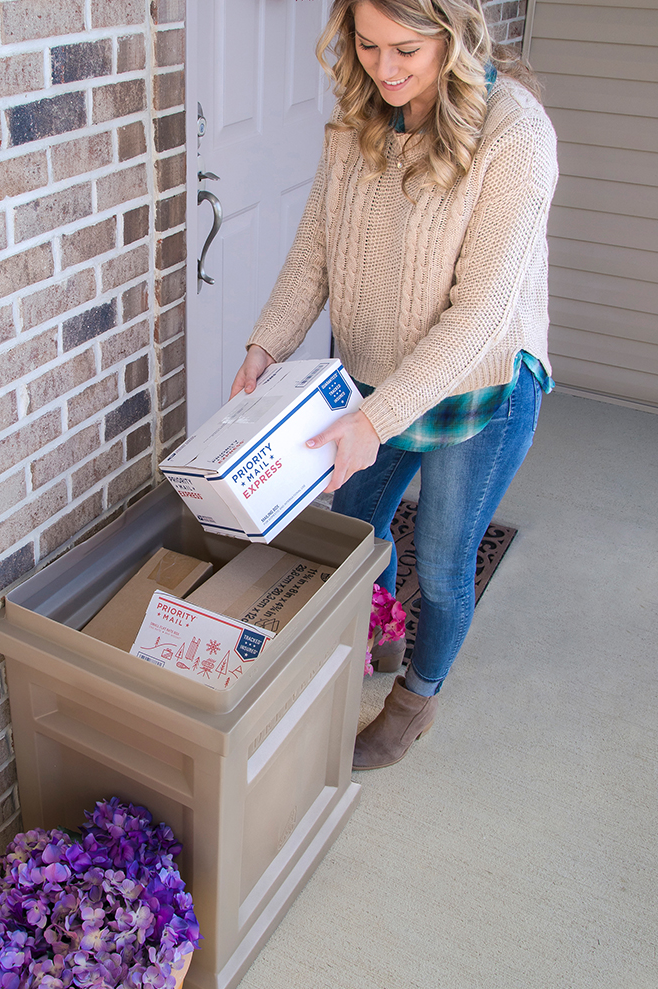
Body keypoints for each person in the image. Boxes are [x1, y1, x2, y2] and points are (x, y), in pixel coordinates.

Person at [231, 0, 558, 769]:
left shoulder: (516, 136)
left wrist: (374, 423)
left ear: (455, 29)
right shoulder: (359, 118)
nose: (384, 69)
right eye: (367, 45)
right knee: (353, 532)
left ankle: (417, 700)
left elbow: (480, 314)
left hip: (477, 390)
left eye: (407, 48)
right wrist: (264, 343)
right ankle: (376, 627)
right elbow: (316, 243)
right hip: (370, 382)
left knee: (443, 561)